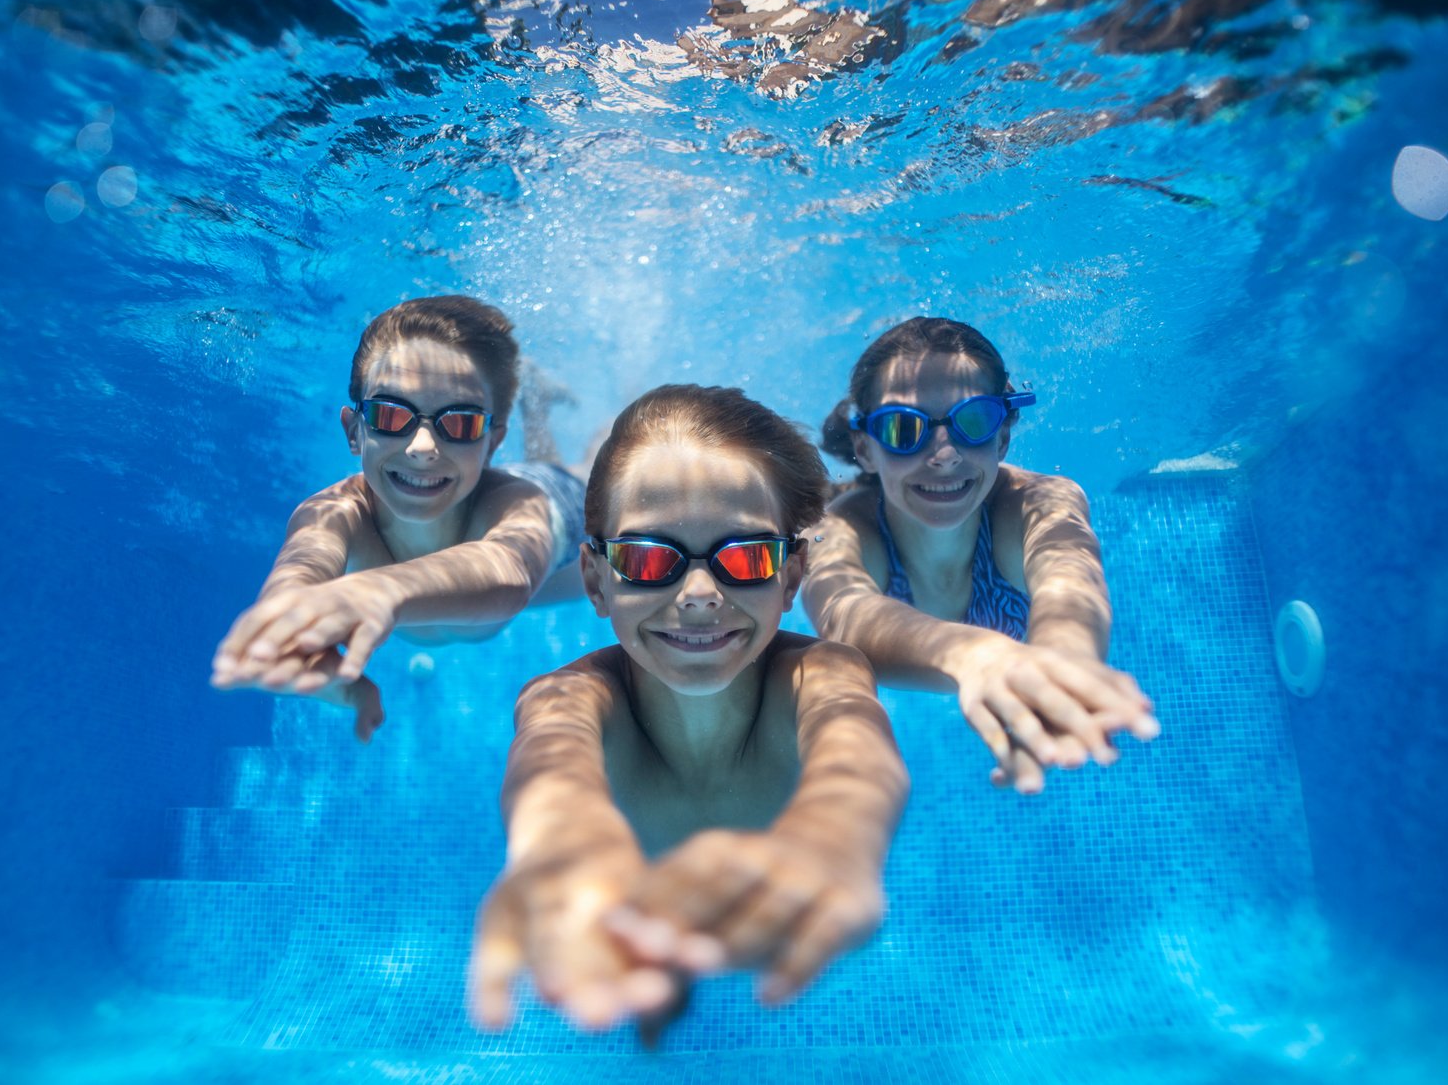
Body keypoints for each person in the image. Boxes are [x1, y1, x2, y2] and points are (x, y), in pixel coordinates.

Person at [471, 384, 909, 1043]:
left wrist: (836, 836)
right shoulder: (570, 697)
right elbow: (550, 763)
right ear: (596, 582)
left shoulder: (819, 673)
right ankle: (541, 409)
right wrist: (558, 845)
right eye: (649, 560)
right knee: (568, 484)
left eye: (747, 557)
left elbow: (857, 749)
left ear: (791, 578)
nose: (700, 596)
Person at [802, 317, 1158, 794]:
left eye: (974, 422)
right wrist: (974, 655)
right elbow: (846, 619)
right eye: (903, 430)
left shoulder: (1040, 503)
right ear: (865, 449)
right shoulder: (840, 528)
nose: (945, 455)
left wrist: (1063, 665)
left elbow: (1069, 578)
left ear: (1003, 438)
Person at [210, 295, 590, 742]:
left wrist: (381, 589)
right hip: (468, 588)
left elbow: (508, 572)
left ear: (490, 443)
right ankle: (536, 400)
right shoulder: (334, 513)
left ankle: (538, 402)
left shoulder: (515, 504)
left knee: (591, 468)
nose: (422, 447)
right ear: (355, 431)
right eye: (391, 415)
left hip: (561, 532)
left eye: (462, 423)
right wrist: (292, 637)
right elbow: (297, 579)